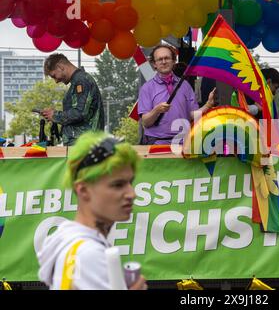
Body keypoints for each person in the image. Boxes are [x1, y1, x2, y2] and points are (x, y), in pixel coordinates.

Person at [37, 131, 147, 290]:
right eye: (117, 185)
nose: (132, 194)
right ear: (83, 190)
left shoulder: (71, 242)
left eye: (130, 182)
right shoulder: (88, 254)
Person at [138, 44, 215, 145]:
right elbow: (145, 122)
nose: (164, 62)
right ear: (154, 64)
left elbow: (192, 115)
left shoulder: (185, 85)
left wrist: (208, 105)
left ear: (174, 61)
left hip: (183, 142)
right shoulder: (147, 88)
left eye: (167, 58)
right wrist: (156, 111)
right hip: (156, 143)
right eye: (160, 59)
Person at [41, 53, 105, 146]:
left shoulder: (81, 80)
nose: (56, 81)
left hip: (83, 144)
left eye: (54, 76)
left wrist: (55, 115)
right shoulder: (78, 81)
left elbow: (80, 112)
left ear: (60, 67)